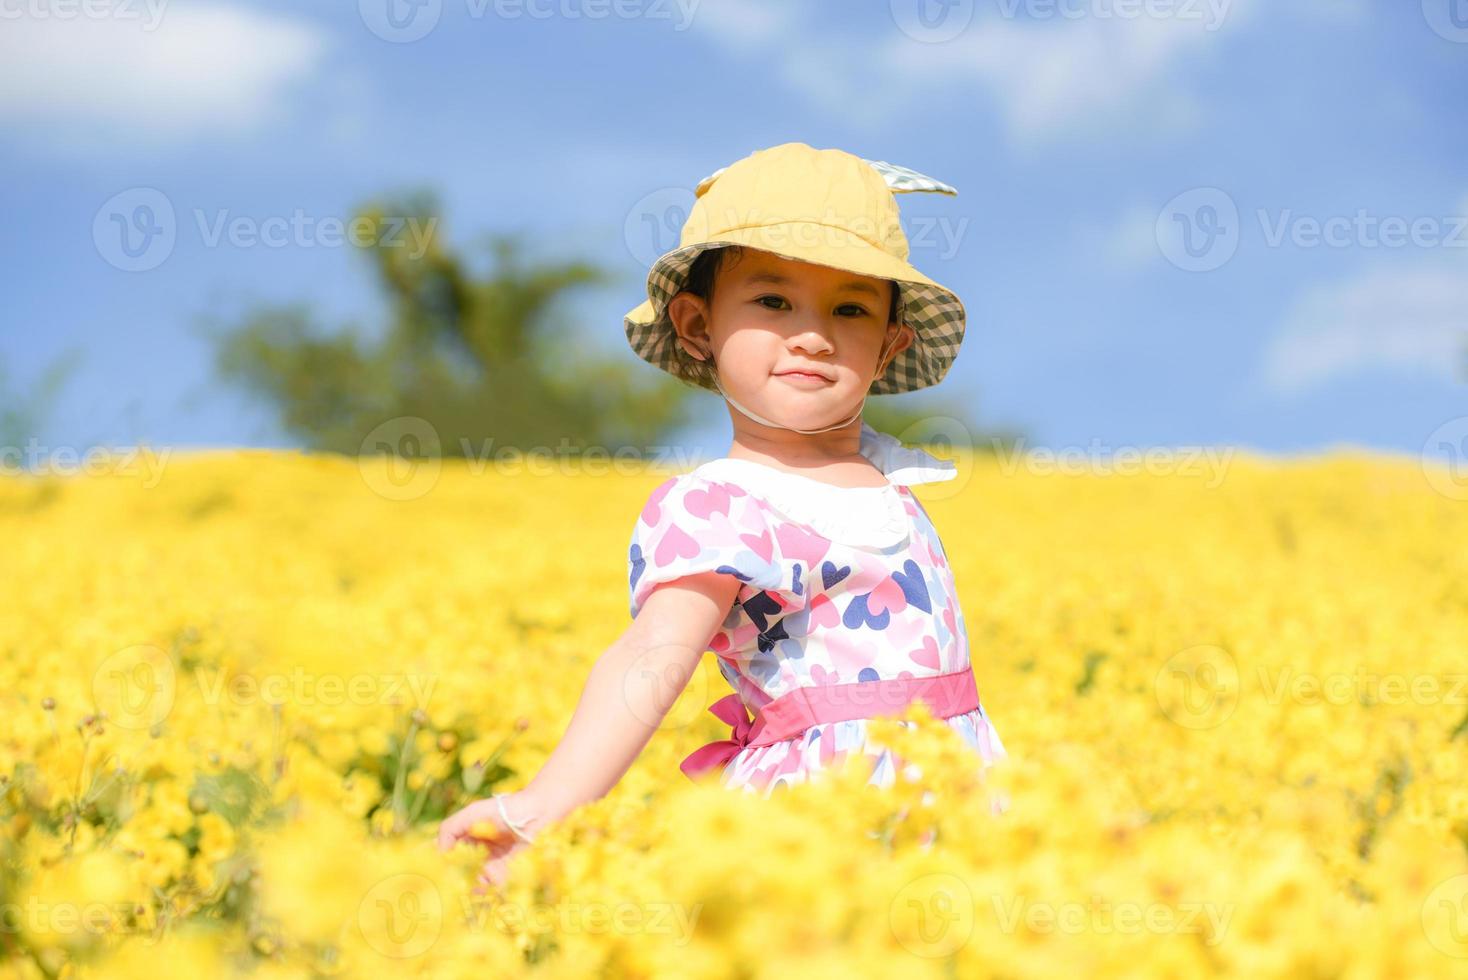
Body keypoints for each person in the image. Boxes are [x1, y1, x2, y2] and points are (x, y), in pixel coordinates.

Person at [438, 142, 1007, 889]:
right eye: (773, 301)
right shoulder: (721, 506)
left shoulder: (895, 480)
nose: (813, 332)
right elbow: (652, 658)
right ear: (698, 326)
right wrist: (542, 807)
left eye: (851, 308)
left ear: (890, 343)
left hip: (962, 809)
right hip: (818, 828)